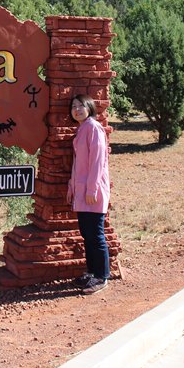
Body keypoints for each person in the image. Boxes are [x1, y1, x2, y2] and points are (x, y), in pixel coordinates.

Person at [67, 94, 111, 294]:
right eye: (74, 106)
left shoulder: (93, 128)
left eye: (81, 106)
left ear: (90, 108)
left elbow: (98, 161)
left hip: (92, 192)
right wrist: (72, 187)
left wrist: (92, 188)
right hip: (82, 191)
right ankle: (92, 273)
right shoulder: (82, 129)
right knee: (87, 234)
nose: (77, 109)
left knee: (96, 235)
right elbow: (78, 165)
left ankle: (102, 276)